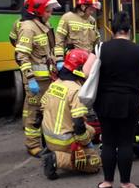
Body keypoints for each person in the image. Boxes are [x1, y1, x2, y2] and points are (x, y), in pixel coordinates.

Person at [94, 12, 139, 188]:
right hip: (129, 101)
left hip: (105, 101)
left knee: (108, 141)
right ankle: (126, 184)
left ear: (113, 30)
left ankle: (107, 182)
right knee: (125, 142)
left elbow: (87, 70)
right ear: (129, 30)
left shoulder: (101, 48)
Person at [41, 49, 101, 180]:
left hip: (49, 137)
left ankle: (53, 151)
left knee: (90, 129)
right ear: (79, 69)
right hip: (64, 140)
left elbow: (42, 106)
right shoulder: (76, 90)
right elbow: (78, 125)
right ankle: (56, 158)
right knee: (95, 162)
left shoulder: (55, 84)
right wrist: (84, 142)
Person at [13, 0, 60, 158]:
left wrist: (57, 63)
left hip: (47, 78)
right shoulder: (28, 28)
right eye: (48, 10)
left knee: (47, 111)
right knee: (34, 114)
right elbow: (21, 56)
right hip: (36, 81)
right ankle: (32, 146)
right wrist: (30, 78)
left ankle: (46, 142)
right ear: (37, 11)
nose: (50, 13)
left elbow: (47, 50)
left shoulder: (43, 25)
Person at [54, 0, 101, 67]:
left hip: (88, 62)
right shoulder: (67, 18)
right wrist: (59, 60)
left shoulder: (92, 20)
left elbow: (97, 41)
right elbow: (59, 40)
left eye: (94, 8)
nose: (93, 11)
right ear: (83, 6)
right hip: (72, 62)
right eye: (91, 8)